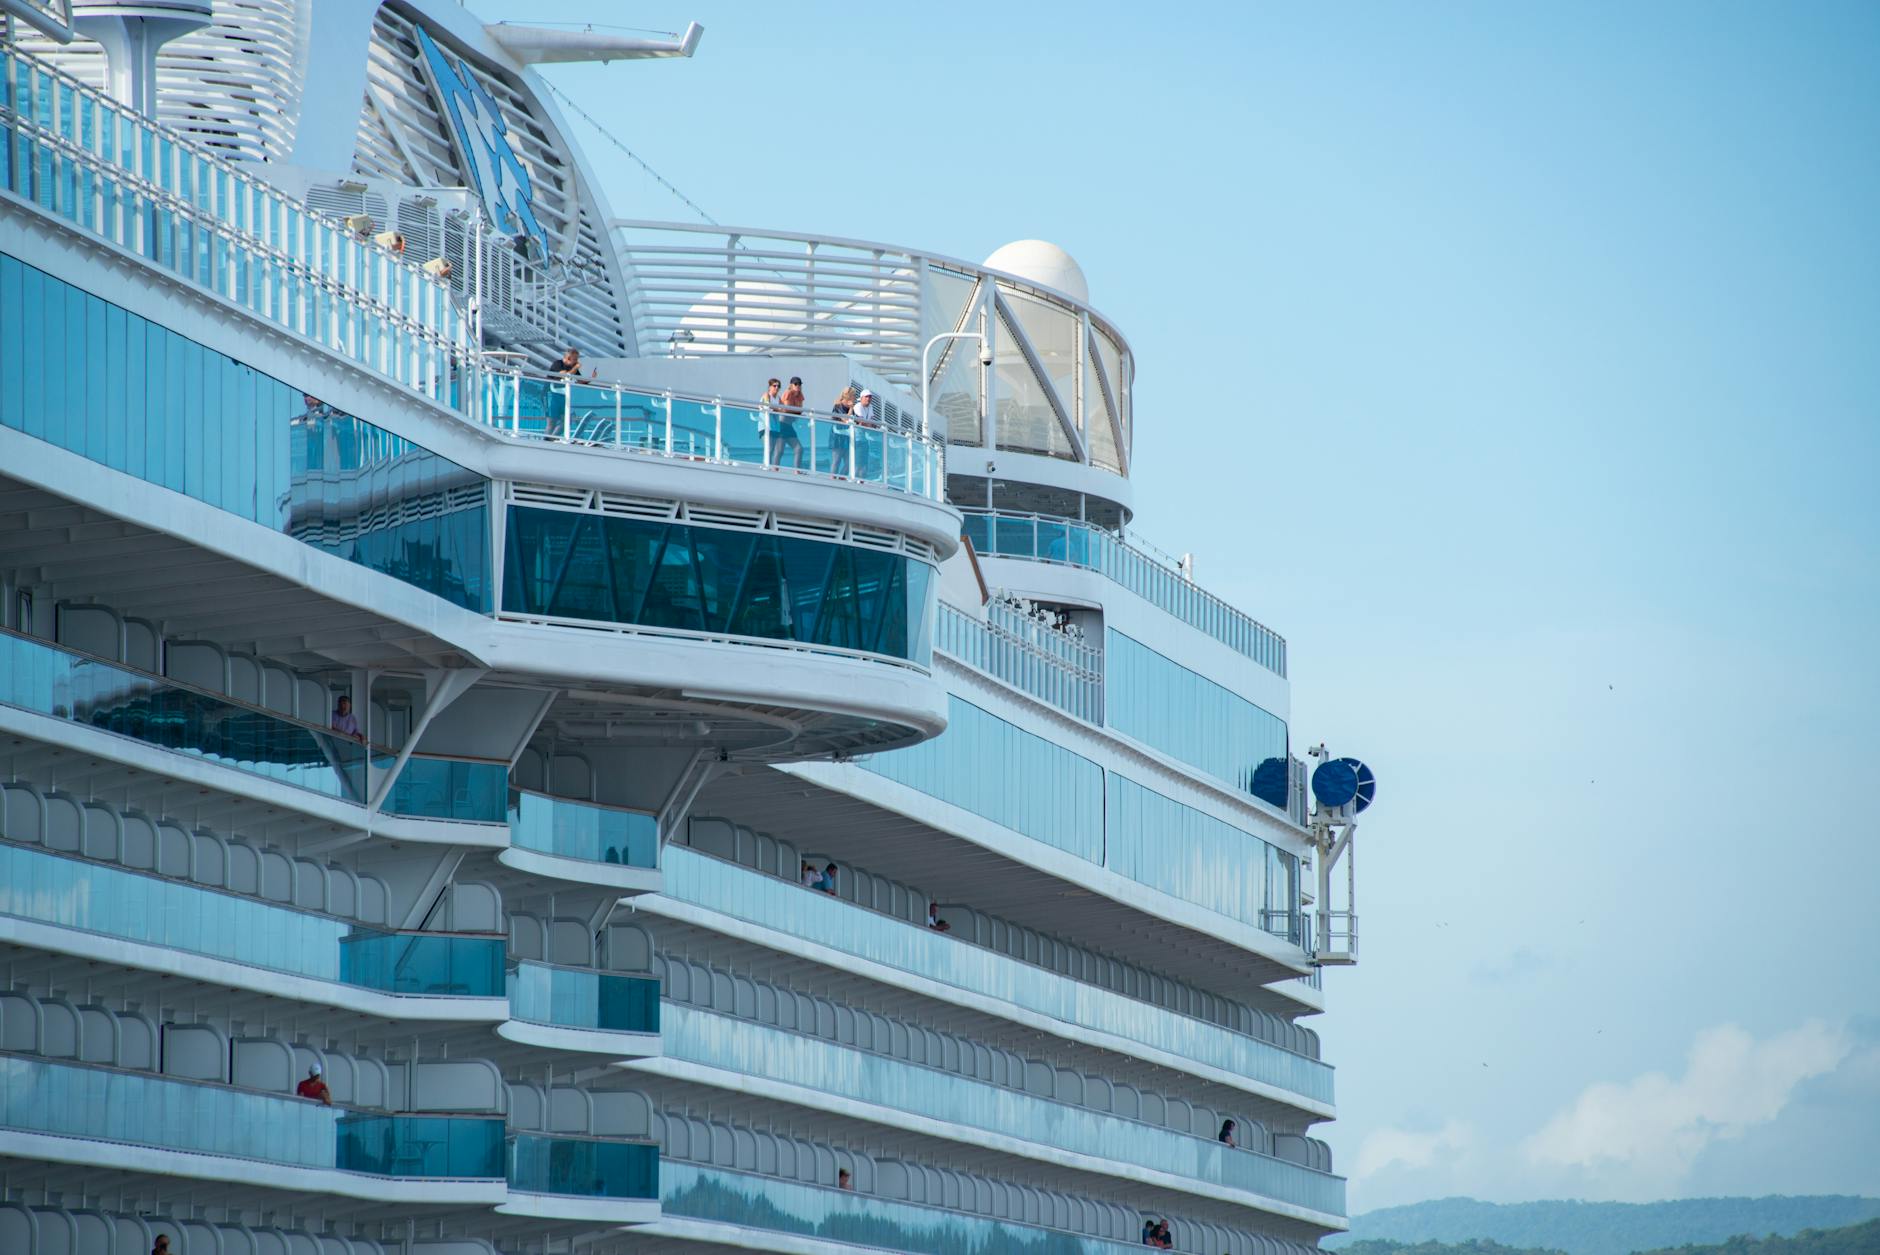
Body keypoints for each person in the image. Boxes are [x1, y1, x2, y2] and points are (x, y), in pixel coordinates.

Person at [771, 376, 805, 469]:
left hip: (789, 426)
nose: (798, 386)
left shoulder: (799, 396)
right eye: (796, 384)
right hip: (782, 425)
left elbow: (799, 411)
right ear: (791, 385)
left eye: (799, 384)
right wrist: (795, 411)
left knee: (799, 449)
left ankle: (797, 470)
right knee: (779, 450)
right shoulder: (788, 393)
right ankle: (775, 469)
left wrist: (795, 411)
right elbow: (786, 409)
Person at [827, 386, 857, 475]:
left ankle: (841, 478)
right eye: (854, 395)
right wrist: (851, 409)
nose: (855, 397)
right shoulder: (837, 406)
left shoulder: (852, 409)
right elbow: (846, 420)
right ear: (849, 396)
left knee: (849, 463)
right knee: (837, 460)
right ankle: (833, 479)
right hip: (837, 437)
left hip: (847, 437)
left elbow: (854, 420)